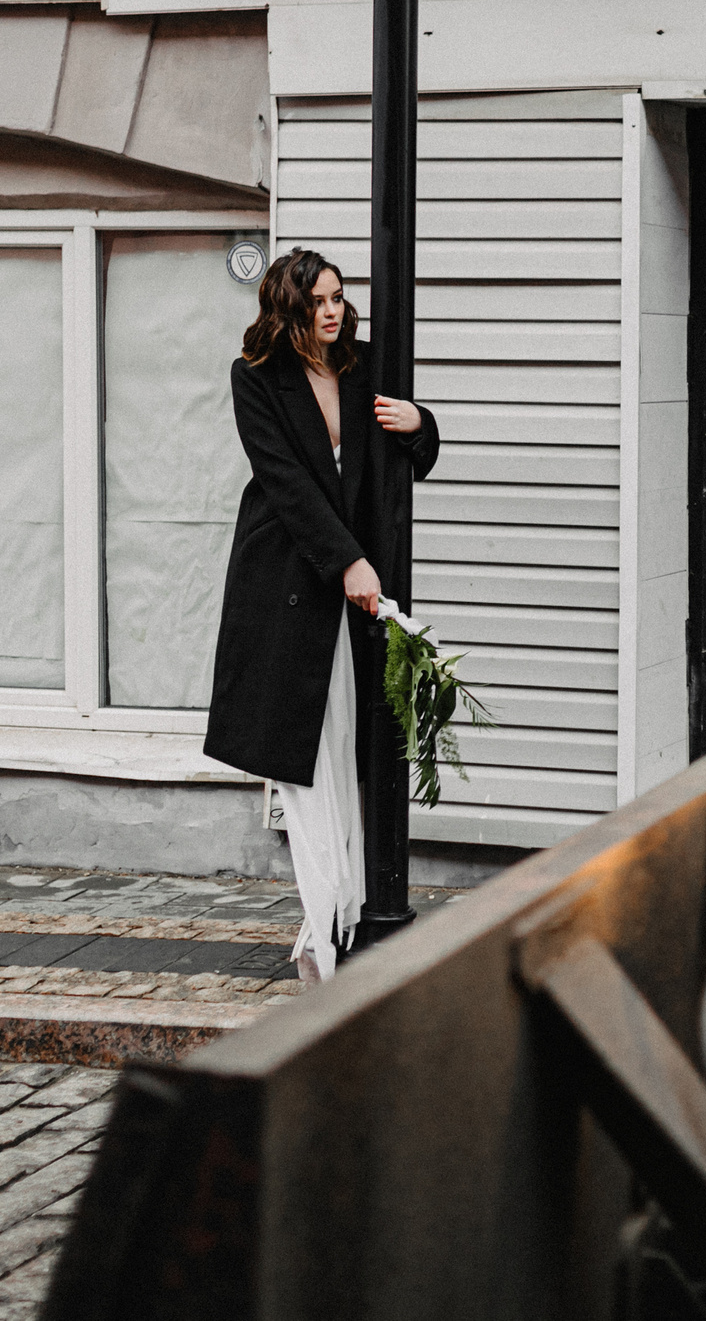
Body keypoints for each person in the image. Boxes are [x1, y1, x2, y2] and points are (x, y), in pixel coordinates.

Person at [204, 248, 439, 981]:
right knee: (304, 767)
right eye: (317, 301)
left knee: (348, 750)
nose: (332, 311)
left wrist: (421, 422)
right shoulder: (255, 376)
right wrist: (348, 562)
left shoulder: (361, 368)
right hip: (287, 584)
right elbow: (287, 483)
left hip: (352, 589)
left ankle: (326, 930)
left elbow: (405, 460)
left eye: (338, 297)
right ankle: (329, 935)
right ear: (289, 307)